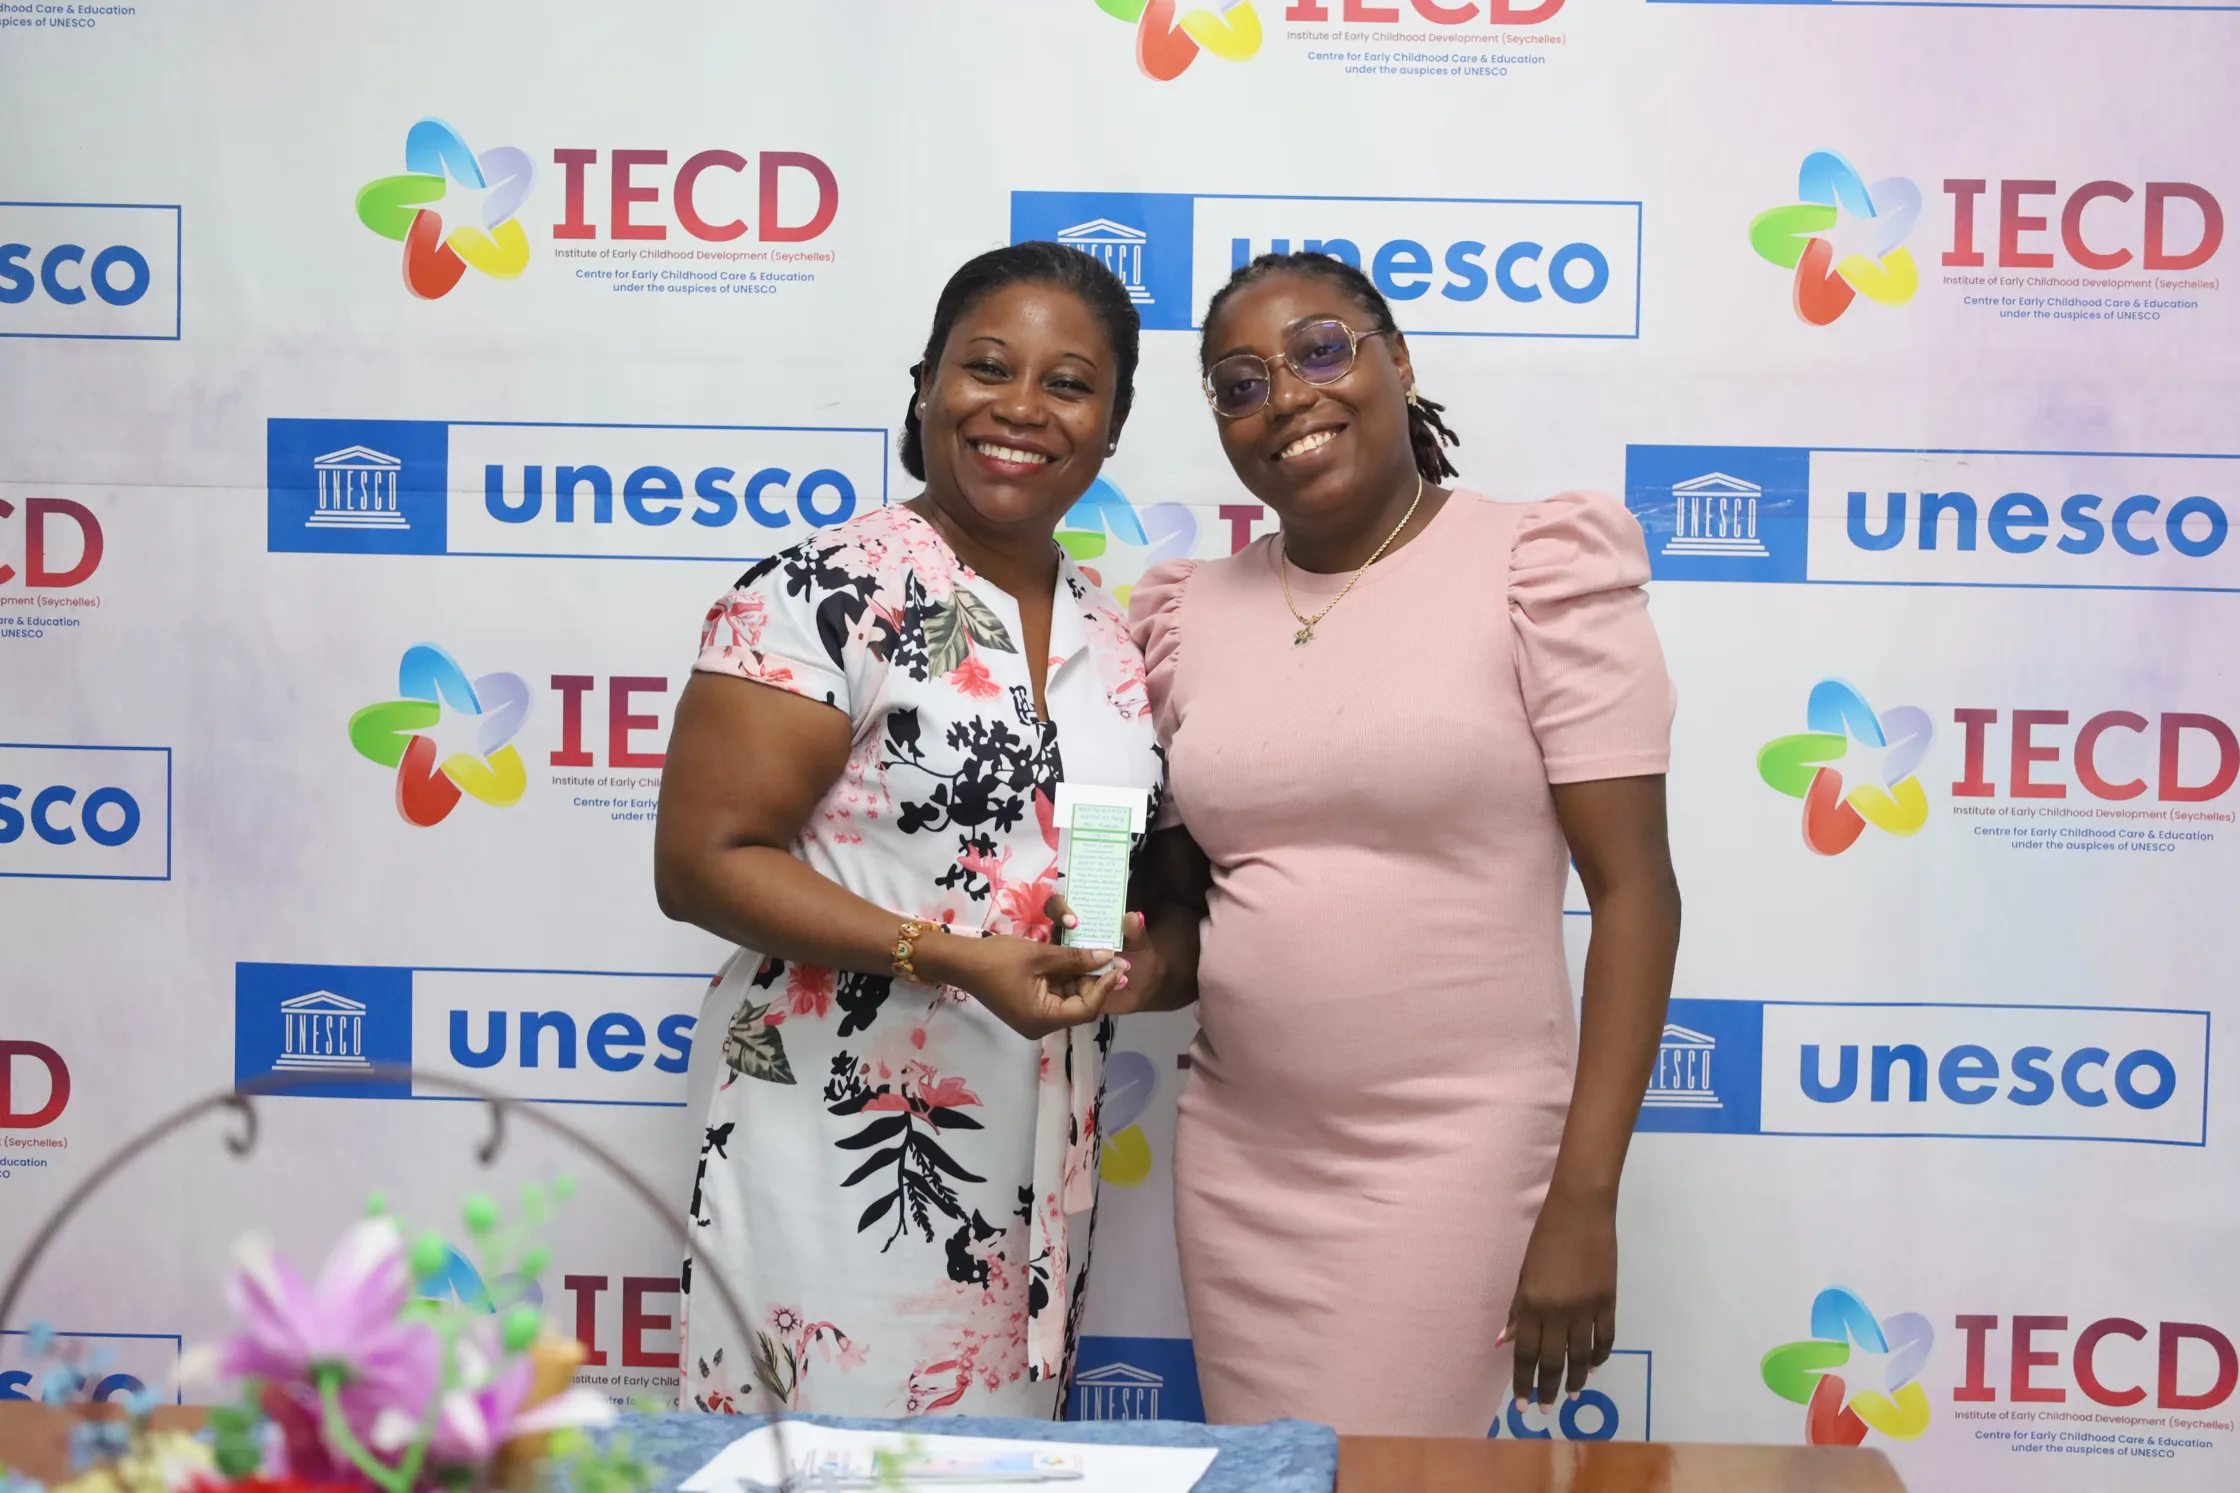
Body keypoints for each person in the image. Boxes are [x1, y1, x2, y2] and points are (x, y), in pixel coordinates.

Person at [1120, 251, 1682, 1436]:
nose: (1286, 395)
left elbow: (1635, 892)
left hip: (1453, 1150)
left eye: (1320, 349)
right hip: (1239, 1153)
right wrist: (1123, 963)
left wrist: (1583, 1196)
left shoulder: (1533, 566)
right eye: (1239, 383)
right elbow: (1179, 917)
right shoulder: (1185, 613)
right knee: (1273, 1471)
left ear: (1398, 361)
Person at [652, 243, 1164, 1418]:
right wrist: (951, 955)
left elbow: (1137, 875)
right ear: (926, 385)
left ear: (1111, 423)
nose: (1021, 407)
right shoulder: (820, 591)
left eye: (1068, 383)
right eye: (986, 367)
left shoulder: (1111, 635)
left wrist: (1128, 957)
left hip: (1035, 1153)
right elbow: (702, 863)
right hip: (834, 1137)